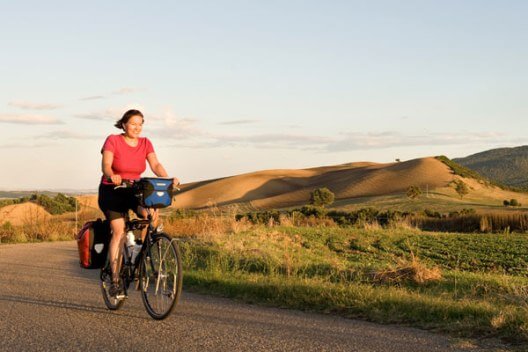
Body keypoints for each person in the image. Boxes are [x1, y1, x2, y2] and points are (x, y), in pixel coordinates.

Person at [97, 109, 179, 296]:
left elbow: (155, 164)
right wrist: (112, 176)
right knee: (119, 231)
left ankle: (139, 251)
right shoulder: (113, 140)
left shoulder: (145, 143)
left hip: (134, 190)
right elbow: (106, 165)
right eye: (133, 123)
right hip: (113, 190)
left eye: (140, 123)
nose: (137, 127)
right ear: (124, 124)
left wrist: (166, 179)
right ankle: (116, 281)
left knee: (150, 214)